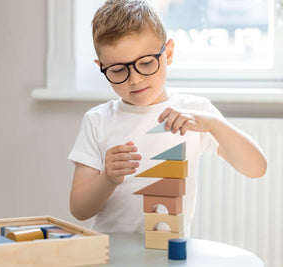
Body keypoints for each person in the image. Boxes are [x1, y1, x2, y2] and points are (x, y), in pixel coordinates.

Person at [68, 0, 267, 236]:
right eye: (119, 70)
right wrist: (107, 179)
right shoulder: (98, 120)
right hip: (111, 254)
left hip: (169, 255)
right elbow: (79, 209)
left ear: (168, 53)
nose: (135, 79)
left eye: (145, 63)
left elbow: (256, 168)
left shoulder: (195, 112)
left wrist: (214, 125)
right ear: (101, 67)